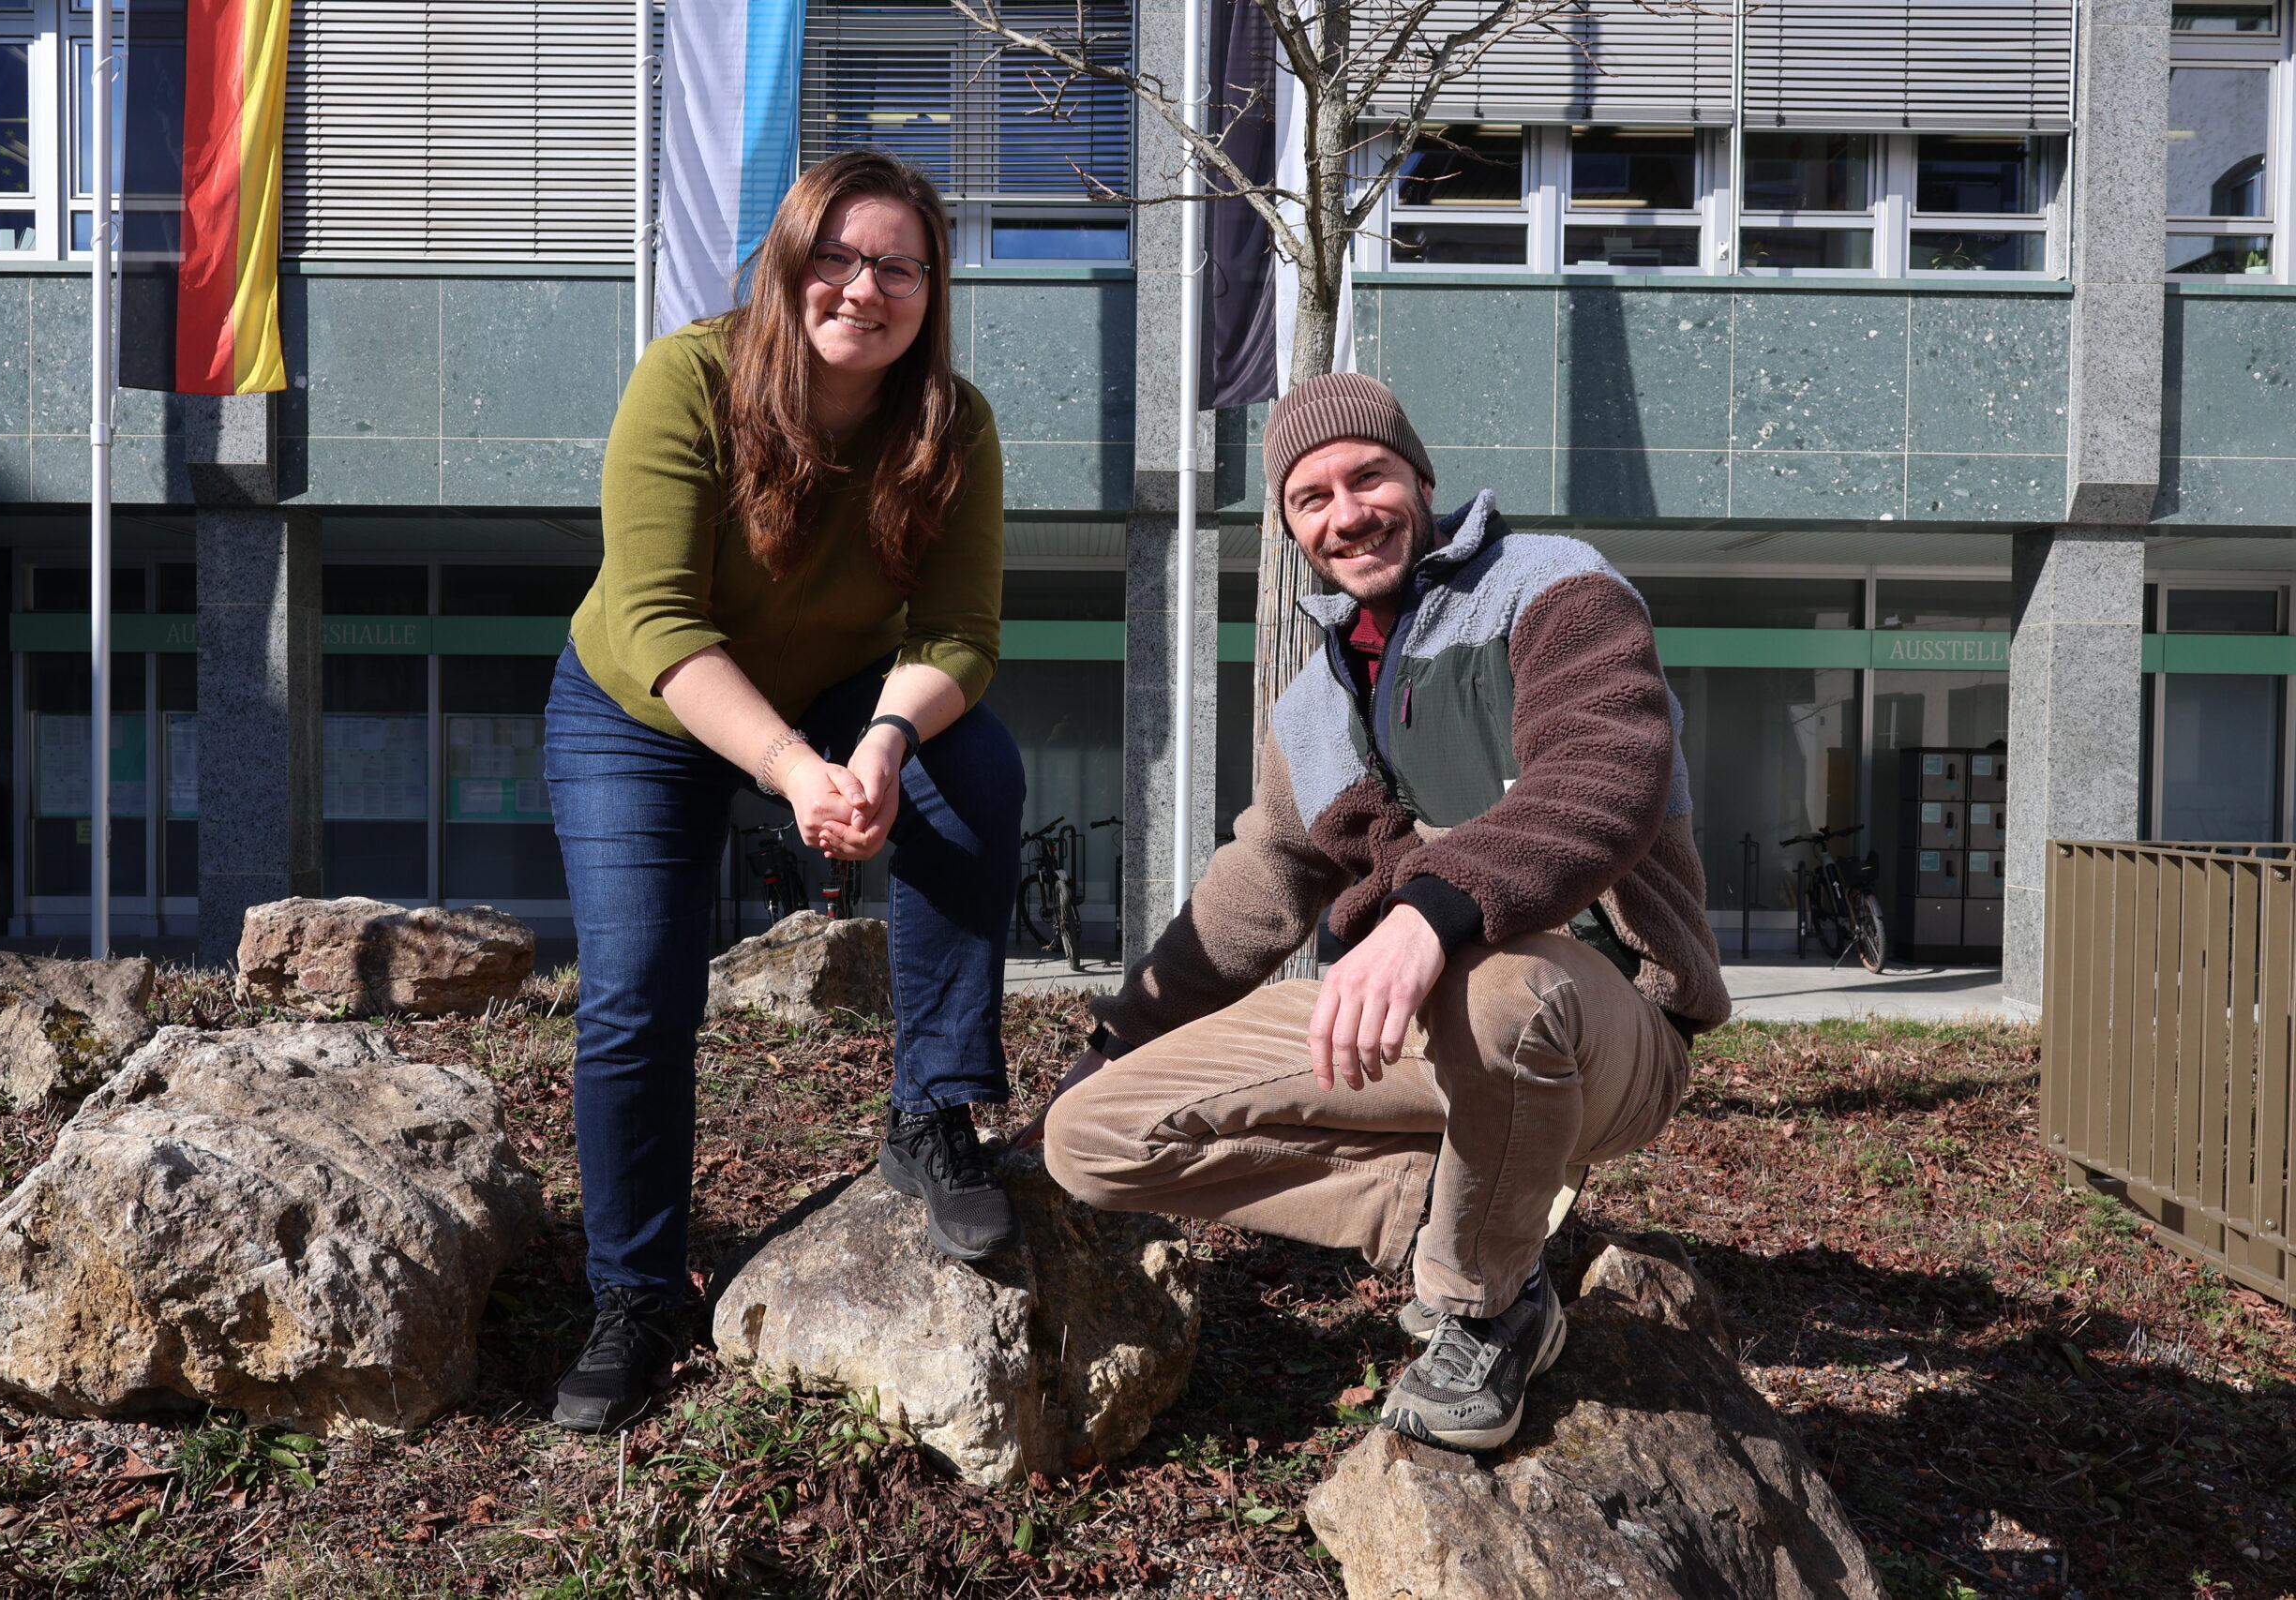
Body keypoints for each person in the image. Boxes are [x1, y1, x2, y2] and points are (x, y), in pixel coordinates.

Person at [1035, 372, 1730, 1450]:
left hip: (1607, 1031)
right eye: (1310, 498)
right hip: (1414, 1031)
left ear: (1420, 479)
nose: (1345, 512)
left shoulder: (1552, 589)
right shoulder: (1314, 705)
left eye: (1367, 477)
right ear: (1290, 527)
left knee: (1499, 986)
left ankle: (1487, 1305)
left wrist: (1428, 915)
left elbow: (1604, 774)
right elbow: (1255, 886)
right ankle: (1457, 1212)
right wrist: (1117, 1035)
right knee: (1091, 1138)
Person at [541, 149, 1028, 1434]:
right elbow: (652, 618)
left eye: (901, 267)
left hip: (837, 688)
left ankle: (932, 1106)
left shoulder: (950, 423)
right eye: (839, 256)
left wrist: (874, 746)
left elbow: (963, 632)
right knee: (641, 989)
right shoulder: (688, 379)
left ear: (931, 289)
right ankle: (634, 1292)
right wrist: (789, 767)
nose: (865, 288)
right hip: (643, 702)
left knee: (969, 761)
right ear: (790, 259)